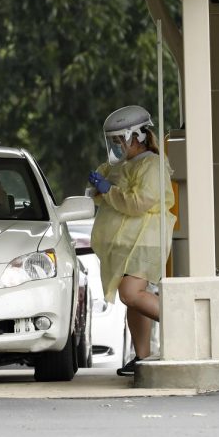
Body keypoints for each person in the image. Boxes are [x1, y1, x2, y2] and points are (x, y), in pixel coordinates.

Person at [88, 105, 175, 376]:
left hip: (146, 239)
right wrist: (101, 188)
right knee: (133, 299)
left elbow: (138, 203)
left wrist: (107, 190)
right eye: (113, 141)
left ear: (136, 135)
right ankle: (142, 357)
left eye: (120, 140)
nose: (116, 146)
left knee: (131, 293)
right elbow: (100, 189)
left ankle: (186, 325)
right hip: (127, 242)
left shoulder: (152, 164)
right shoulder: (122, 165)